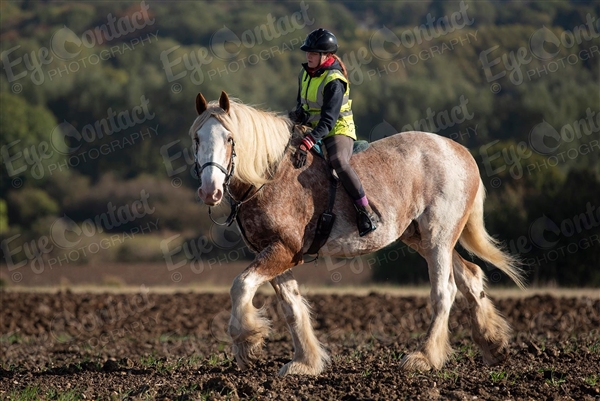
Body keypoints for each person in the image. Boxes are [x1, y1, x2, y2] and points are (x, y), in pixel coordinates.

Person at [291, 28, 377, 237]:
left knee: (338, 161)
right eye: (308, 52)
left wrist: (306, 143)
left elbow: (328, 121)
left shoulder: (334, 81)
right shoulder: (305, 73)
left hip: (337, 129)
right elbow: (302, 105)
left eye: (313, 53)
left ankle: (365, 210)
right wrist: (297, 116)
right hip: (312, 127)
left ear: (325, 56)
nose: (308, 56)